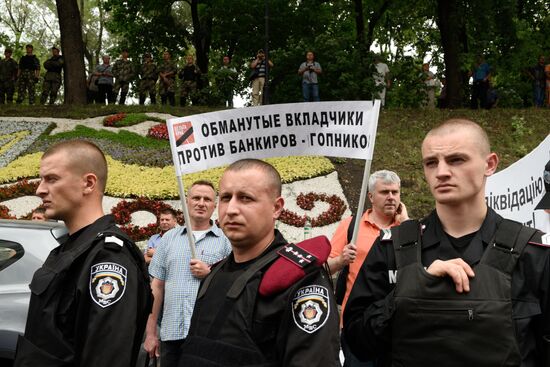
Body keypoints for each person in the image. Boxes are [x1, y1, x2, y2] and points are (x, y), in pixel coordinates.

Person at [344, 119, 550, 367]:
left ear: (490, 164)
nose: (441, 172)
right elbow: (355, 343)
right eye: (431, 162)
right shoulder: (392, 248)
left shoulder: (533, 252)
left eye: (456, 160)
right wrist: (408, 292)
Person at [178, 159, 341, 367]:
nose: (231, 209)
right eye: (226, 198)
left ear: (276, 208)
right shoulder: (214, 273)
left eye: (246, 198)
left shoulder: (300, 282)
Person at [14, 140, 152, 367]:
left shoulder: (109, 258)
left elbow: (106, 358)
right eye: (42, 179)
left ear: (88, 183)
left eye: (52, 179)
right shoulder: (74, 247)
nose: (39, 189)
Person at [144, 180, 232, 367]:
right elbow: (156, 288)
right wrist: (151, 334)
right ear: (186, 201)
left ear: (214, 206)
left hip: (208, 336)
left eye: (207, 199)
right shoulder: (168, 239)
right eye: (196, 198)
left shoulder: (226, 242)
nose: (201, 203)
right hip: (171, 333)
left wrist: (211, 273)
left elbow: (234, 286)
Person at [328, 170, 408, 367]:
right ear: (371, 196)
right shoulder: (351, 226)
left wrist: (406, 224)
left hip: (400, 324)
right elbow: (324, 268)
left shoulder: (407, 229)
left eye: (395, 192)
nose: (391, 197)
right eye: (384, 192)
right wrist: (341, 260)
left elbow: (421, 267)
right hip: (359, 323)